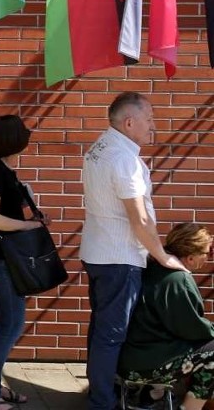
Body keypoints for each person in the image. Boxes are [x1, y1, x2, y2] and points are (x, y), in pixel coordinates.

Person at [81, 91, 187, 410]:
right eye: (149, 119)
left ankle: (98, 390)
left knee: (101, 328)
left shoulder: (99, 147)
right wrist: (161, 255)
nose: (153, 125)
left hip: (99, 252)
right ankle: (102, 402)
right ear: (129, 122)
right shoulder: (124, 159)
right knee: (111, 334)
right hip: (120, 257)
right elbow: (139, 218)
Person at [0, 114, 48, 410]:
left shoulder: (5, 170)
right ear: (12, 140)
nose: (27, 135)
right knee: (12, 324)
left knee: (1, 324)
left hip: (7, 258)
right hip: (1, 259)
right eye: (21, 132)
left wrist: (31, 219)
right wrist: (28, 227)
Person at [119, 223, 214, 410]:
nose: (209, 258)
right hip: (147, 364)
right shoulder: (178, 280)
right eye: (208, 252)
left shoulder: (152, 265)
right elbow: (192, 330)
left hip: (129, 357)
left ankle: (153, 394)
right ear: (191, 257)